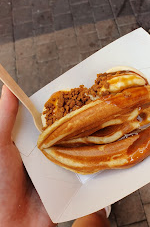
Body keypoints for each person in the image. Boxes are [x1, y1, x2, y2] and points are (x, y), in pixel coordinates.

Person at [0, 85, 110, 227]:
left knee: (96, 218)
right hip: (34, 212)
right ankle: (97, 210)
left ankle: (96, 209)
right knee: (96, 218)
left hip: (30, 214)